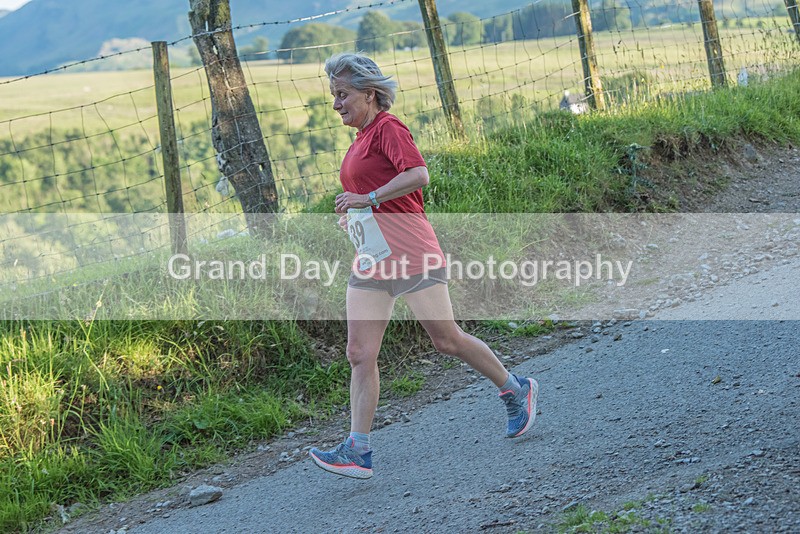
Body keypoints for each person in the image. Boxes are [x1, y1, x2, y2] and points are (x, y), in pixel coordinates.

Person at [308, 52, 539, 479]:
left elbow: (418, 174)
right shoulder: (359, 138)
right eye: (333, 96)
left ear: (371, 94)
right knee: (359, 352)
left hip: (412, 252)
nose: (336, 104)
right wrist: (357, 217)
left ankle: (515, 389)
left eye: (342, 95)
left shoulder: (388, 128)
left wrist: (369, 199)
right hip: (373, 259)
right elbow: (374, 192)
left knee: (446, 340)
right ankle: (358, 449)